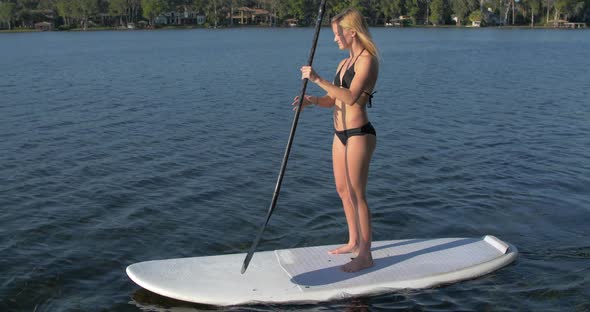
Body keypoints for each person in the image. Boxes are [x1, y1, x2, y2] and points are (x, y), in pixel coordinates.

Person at [293, 8, 379, 273]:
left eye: (338, 33)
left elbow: (351, 97)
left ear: (352, 32)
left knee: (357, 194)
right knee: (343, 190)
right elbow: (335, 98)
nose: (336, 39)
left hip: (359, 134)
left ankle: (366, 254)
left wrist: (317, 79)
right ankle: (353, 241)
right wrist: (312, 101)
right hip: (339, 134)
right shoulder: (344, 63)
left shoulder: (368, 61)